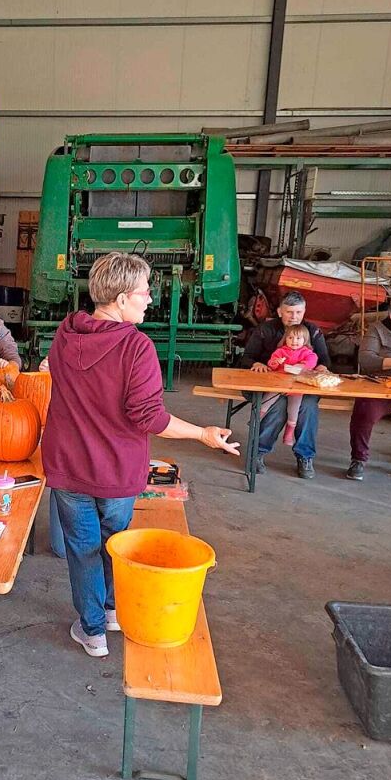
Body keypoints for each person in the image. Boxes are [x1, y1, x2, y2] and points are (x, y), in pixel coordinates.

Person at [42, 252, 239, 659]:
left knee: (83, 548)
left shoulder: (65, 332)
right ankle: (111, 611)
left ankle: (93, 630)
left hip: (66, 464)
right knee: (115, 542)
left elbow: (53, 373)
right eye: (144, 293)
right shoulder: (136, 348)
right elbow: (150, 418)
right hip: (115, 471)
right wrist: (202, 433)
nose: (150, 300)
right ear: (119, 299)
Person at [241, 290, 330, 480]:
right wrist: (256, 364)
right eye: (289, 312)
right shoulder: (266, 330)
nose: (294, 317)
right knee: (278, 405)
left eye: (298, 312)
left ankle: (305, 456)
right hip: (269, 387)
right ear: (280, 311)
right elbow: (246, 357)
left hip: (301, 387)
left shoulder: (312, 332)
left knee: (308, 407)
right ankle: (257, 452)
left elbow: (325, 361)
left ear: (304, 311)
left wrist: (321, 367)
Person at [346, 295, 391, 480]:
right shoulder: (377, 329)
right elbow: (366, 360)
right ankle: (358, 458)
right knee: (365, 412)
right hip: (379, 383)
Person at [263, 324, 319, 446]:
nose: (294, 341)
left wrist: (302, 366)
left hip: (296, 386)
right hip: (279, 383)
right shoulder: (280, 351)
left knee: (294, 409)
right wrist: (275, 362)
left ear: (305, 340)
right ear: (285, 339)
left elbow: (312, 361)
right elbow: (271, 364)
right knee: (266, 400)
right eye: (290, 338)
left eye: (298, 338)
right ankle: (257, 419)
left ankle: (289, 432)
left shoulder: (307, 352)